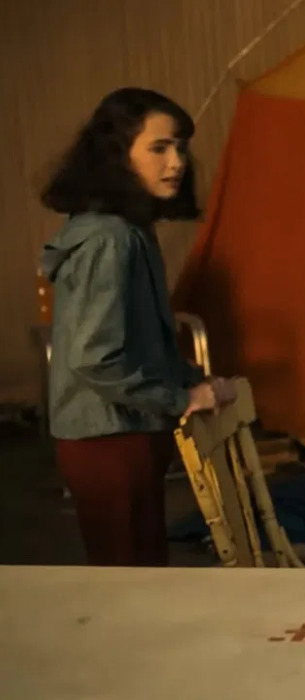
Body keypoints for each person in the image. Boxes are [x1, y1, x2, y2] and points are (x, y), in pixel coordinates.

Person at [40, 87, 237, 566]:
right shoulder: (110, 239)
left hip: (127, 429)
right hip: (108, 438)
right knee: (128, 578)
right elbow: (96, 358)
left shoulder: (129, 230)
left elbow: (143, 340)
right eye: (159, 148)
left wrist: (193, 380)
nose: (177, 162)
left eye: (180, 147)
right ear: (117, 155)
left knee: (143, 571)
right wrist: (180, 399)